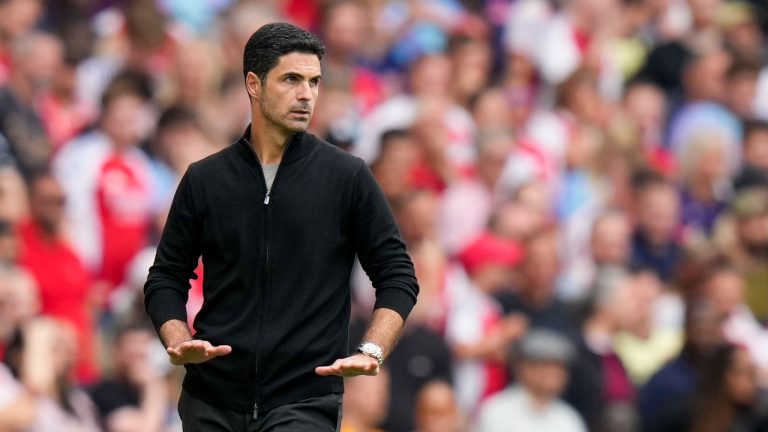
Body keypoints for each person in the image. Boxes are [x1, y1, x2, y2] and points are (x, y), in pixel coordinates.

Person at [143, 22, 419, 431]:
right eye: (292, 79)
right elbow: (166, 276)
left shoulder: (347, 177)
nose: (306, 93)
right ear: (253, 84)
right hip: (211, 400)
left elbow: (398, 275)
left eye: (314, 81)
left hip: (305, 401)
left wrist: (372, 349)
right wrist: (178, 338)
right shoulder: (205, 179)